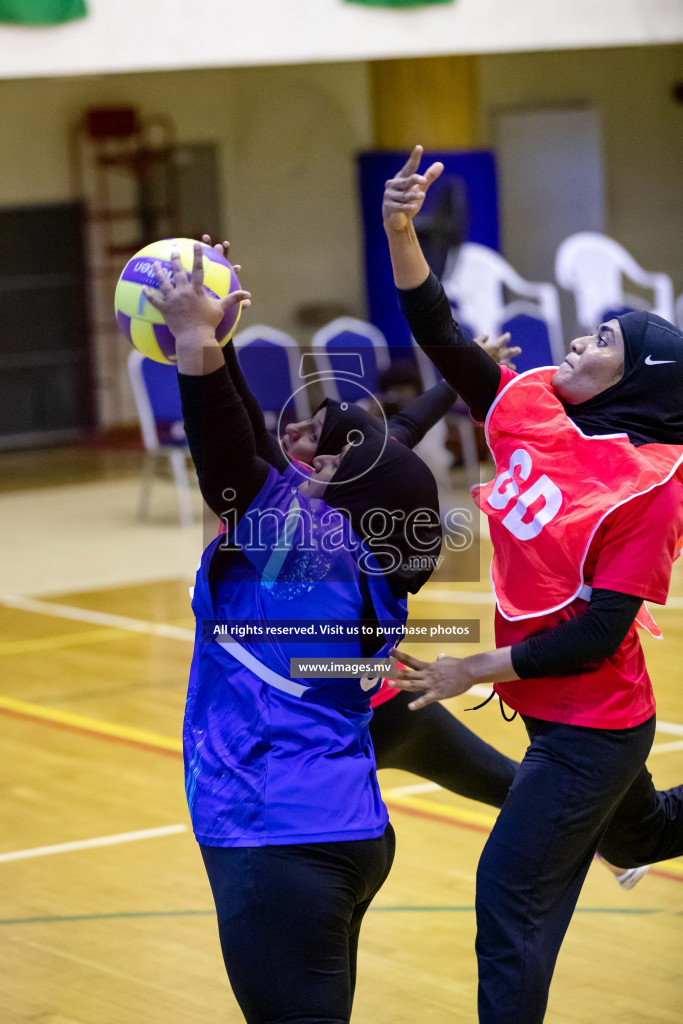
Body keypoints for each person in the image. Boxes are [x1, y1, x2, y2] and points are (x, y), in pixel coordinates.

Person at [381, 146, 683, 1024]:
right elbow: (438, 330)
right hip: (567, 715)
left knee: (508, 899)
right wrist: (401, 229)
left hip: (591, 729)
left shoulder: (648, 487)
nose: (577, 344)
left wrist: (472, 669)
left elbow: (594, 635)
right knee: (648, 834)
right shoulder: (532, 414)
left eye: (602, 343)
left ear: (635, 382)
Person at [142, 242, 447, 1024]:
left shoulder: (302, 555)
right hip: (341, 828)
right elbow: (246, 450)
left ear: (341, 493)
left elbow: (224, 463)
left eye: (318, 444)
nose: (298, 446)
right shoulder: (363, 565)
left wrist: (194, 342)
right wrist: (223, 340)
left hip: (275, 838)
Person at [200, 232, 520, 811]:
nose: (294, 432)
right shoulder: (338, 491)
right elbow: (405, 429)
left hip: (348, 703)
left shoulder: (295, 502)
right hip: (361, 679)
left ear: (342, 466)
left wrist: (207, 342)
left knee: (506, 784)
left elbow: (237, 429)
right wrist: (462, 376)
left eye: (314, 434)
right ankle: (609, 835)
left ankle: (613, 834)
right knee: (508, 785)